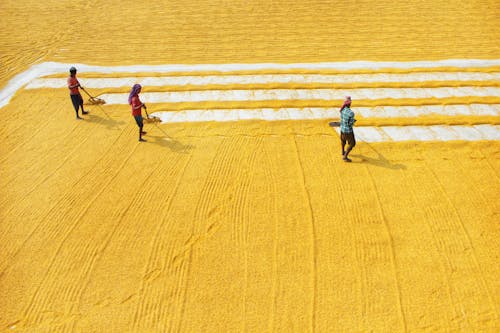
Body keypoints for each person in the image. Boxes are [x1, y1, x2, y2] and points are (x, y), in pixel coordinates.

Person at [339, 96, 356, 162]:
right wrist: (353, 121)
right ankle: (345, 156)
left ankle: (343, 151)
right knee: (352, 143)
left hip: (342, 130)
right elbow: (350, 124)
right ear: (349, 103)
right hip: (348, 131)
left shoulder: (342, 110)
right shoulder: (351, 113)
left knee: (343, 141)